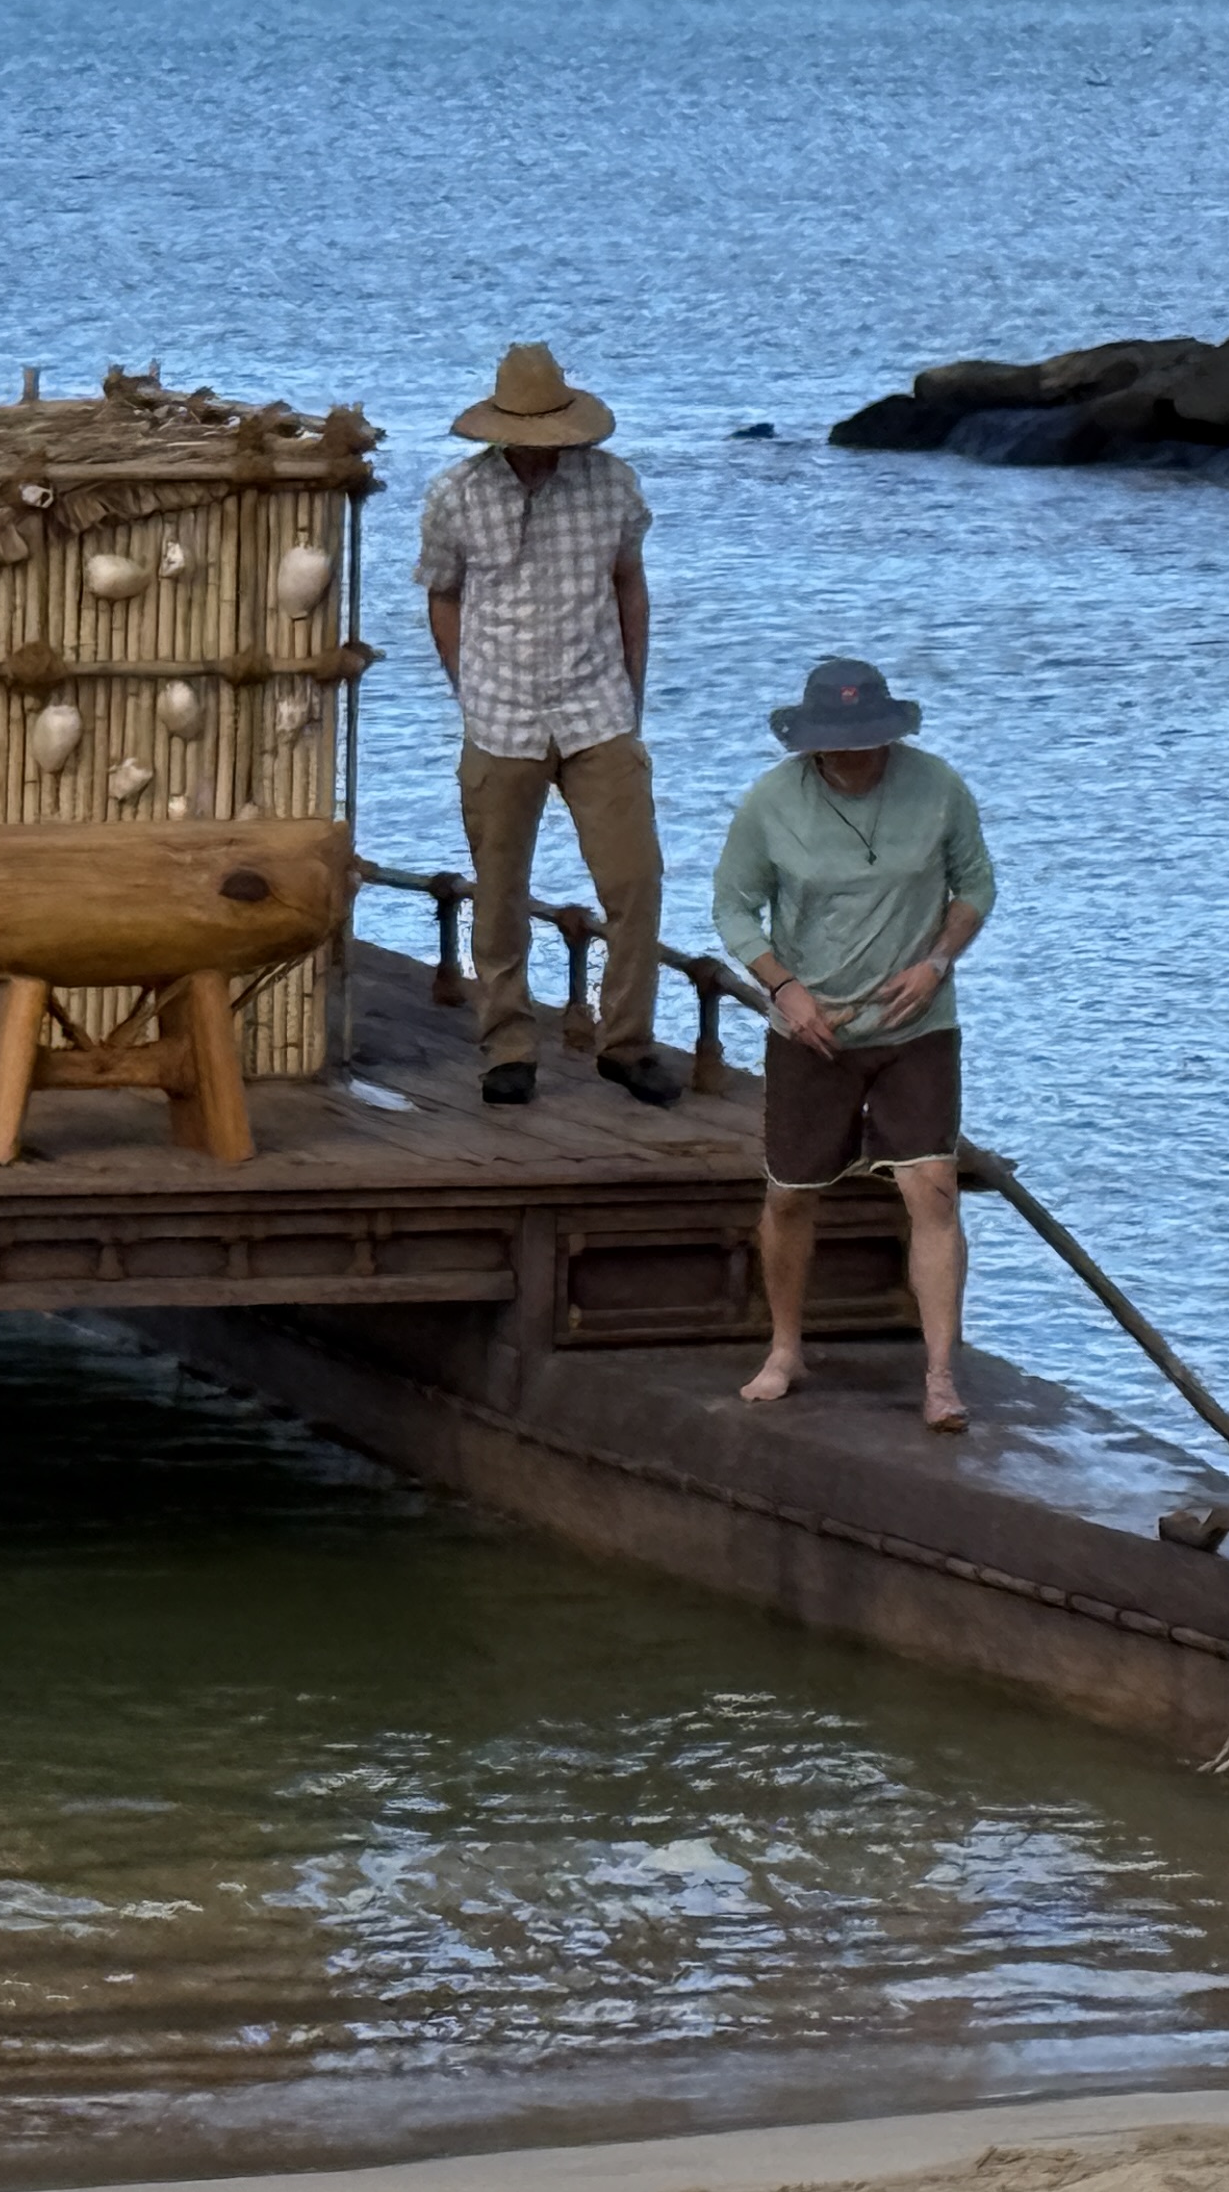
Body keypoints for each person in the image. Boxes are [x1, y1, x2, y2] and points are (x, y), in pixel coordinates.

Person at [711, 657, 995, 1433]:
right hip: (813, 1029)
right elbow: (734, 908)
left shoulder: (938, 787)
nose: (857, 757)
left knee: (931, 1187)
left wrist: (937, 962)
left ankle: (940, 1376)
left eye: (869, 742)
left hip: (917, 1026)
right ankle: (785, 1348)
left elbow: (976, 886)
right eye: (840, 745)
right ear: (811, 745)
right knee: (790, 1194)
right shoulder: (771, 803)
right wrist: (783, 988)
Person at [418, 341, 689, 1111]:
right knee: (500, 891)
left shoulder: (613, 487)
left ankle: (626, 1042)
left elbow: (629, 587)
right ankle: (508, 1046)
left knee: (634, 879)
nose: (543, 452)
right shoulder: (455, 496)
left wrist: (632, 694)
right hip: (499, 715)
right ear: (500, 432)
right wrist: (466, 688)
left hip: (597, 709)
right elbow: (443, 595)